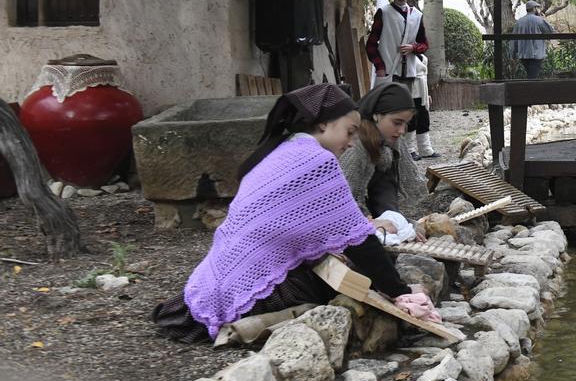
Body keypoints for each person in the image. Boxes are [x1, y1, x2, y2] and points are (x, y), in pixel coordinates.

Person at [152, 83, 438, 343]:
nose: (351, 142)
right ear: (324, 123)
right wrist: (399, 291)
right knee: (334, 286)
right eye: (349, 132)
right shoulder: (318, 161)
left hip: (212, 281)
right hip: (243, 290)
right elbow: (359, 240)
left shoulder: (286, 150)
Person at [366, 0, 437, 157]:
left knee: (411, 110)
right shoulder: (384, 13)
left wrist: (413, 47)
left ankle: (409, 150)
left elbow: (424, 44)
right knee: (388, 110)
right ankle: (385, 147)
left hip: (411, 72)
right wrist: (380, 66)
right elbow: (371, 45)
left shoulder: (417, 15)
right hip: (390, 71)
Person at [338, 82, 428, 220]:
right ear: (376, 116)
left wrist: (395, 220)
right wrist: (369, 224)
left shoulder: (391, 144)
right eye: (397, 123)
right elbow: (341, 202)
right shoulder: (354, 148)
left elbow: (385, 189)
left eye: (406, 124)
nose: (402, 131)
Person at [510, 1, 554, 79]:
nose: (539, 10)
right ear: (534, 9)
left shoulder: (519, 22)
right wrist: (544, 19)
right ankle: (529, 90)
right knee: (532, 78)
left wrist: (513, 54)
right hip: (536, 54)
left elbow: (514, 40)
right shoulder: (539, 20)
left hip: (523, 55)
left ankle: (530, 90)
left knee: (531, 75)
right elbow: (550, 32)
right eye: (537, 8)